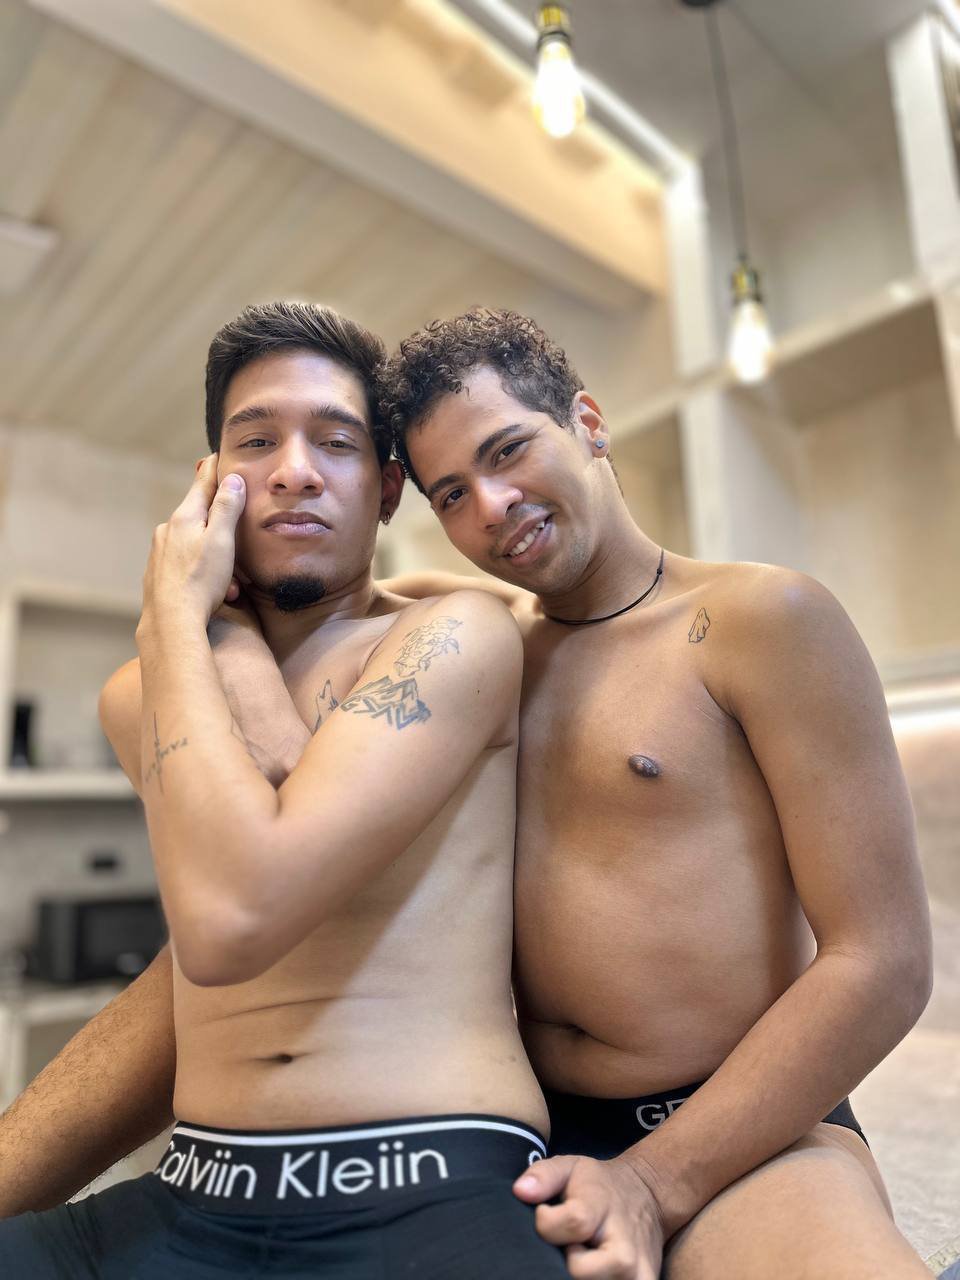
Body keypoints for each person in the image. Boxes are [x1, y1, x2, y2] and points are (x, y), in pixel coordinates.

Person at [0, 306, 933, 1280]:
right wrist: (213, 622)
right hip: (532, 1130)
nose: (493, 505)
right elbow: (296, 638)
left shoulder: (758, 619)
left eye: (510, 450)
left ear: (588, 422)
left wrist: (653, 1181)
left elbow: (883, 959)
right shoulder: (465, 626)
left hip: (721, 1116)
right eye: (452, 491)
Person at [0, 302, 567, 1279]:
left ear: (388, 487)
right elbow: (257, 796)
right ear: (209, 484)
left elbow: (235, 912)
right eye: (256, 440)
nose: (295, 470)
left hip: (427, 1183)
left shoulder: (453, 635)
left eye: (336, 443)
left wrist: (182, 619)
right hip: (194, 1189)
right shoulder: (141, 689)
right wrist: (196, 627)